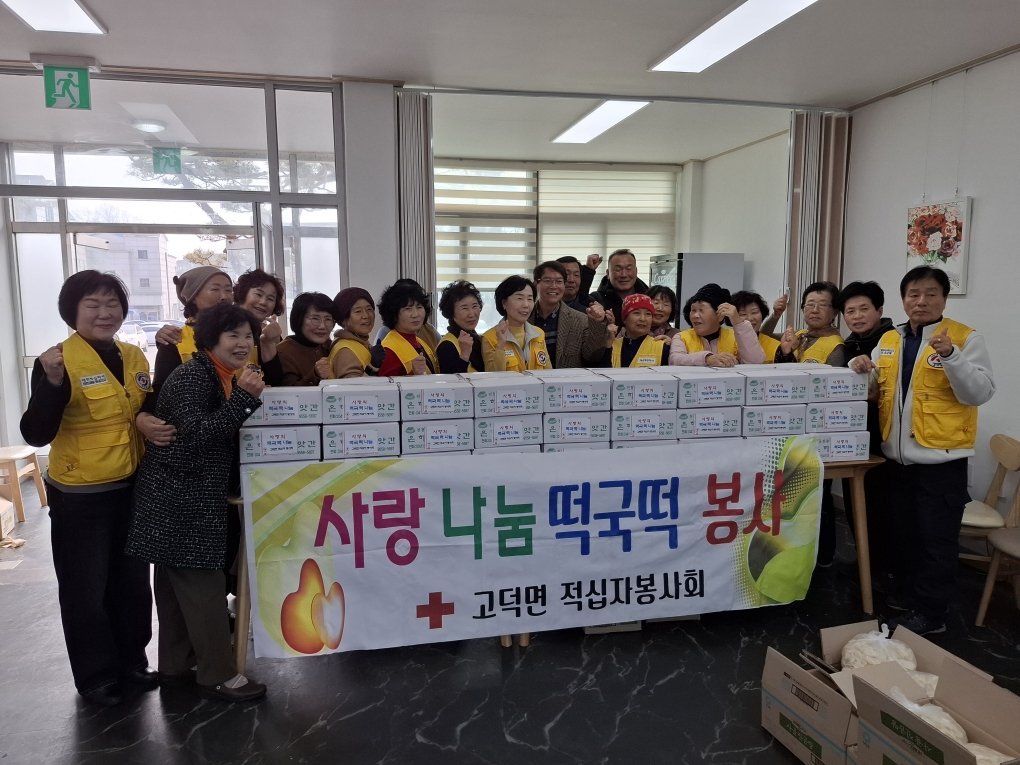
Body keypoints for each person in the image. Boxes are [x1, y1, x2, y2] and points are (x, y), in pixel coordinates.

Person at [20, 271, 168, 707]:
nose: (105, 313)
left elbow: (142, 405)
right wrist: (51, 383)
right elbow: (35, 432)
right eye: (93, 305)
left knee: (132, 584)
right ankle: (96, 676)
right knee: (85, 589)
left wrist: (146, 417)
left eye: (112, 304)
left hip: (132, 486)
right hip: (81, 495)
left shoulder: (133, 355)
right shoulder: (57, 360)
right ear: (73, 311)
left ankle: (132, 661)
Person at [127, 303, 268, 702]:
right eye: (232, 335)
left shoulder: (220, 374)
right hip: (180, 499)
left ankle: (176, 666)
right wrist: (244, 400)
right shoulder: (193, 376)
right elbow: (194, 437)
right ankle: (218, 675)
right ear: (210, 339)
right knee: (204, 589)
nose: (242, 344)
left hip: (179, 497)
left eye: (248, 336)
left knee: (175, 592)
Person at [849, 266, 994, 635]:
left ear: (944, 299)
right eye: (913, 294)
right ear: (903, 300)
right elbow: (876, 391)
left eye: (931, 293)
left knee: (936, 542)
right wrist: (860, 368)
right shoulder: (890, 339)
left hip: (941, 462)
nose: (921, 301)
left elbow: (979, 393)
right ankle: (909, 598)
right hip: (897, 461)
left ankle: (932, 615)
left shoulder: (964, 338)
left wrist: (952, 356)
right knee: (904, 536)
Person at [153, 266, 233, 393]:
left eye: (228, 290)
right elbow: (161, 392)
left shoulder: (244, 335)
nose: (224, 296)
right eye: (215, 289)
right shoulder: (175, 341)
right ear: (193, 297)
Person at [531, 261, 608, 369]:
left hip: (566, 379)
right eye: (547, 281)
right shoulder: (523, 318)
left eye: (559, 281)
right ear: (536, 284)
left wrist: (597, 323)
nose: (554, 286)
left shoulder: (580, 320)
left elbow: (592, 356)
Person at [668, 283, 765, 366]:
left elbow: (755, 361)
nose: (695, 315)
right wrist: (707, 358)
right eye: (693, 310)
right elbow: (674, 360)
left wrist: (739, 323)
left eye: (701, 310)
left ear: (720, 315)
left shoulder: (735, 336)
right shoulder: (681, 337)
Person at [481, 275, 552, 372]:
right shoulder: (490, 338)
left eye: (530, 299)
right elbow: (493, 376)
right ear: (504, 303)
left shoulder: (539, 334)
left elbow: (548, 372)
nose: (526, 305)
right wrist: (500, 346)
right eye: (519, 298)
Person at [232, 268, 285, 385]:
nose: (263, 302)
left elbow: (275, 382)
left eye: (270, 299)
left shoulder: (271, 334)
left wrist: (268, 343)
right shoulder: (223, 328)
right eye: (258, 294)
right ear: (243, 293)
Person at [377, 280, 437, 376]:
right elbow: (387, 384)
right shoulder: (388, 350)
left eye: (419, 307)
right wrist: (413, 374)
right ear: (394, 314)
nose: (415, 314)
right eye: (408, 309)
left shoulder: (420, 342)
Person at [777, 281, 846, 365]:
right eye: (810, 304)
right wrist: (776, 315)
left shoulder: (836, 346)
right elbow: (765, 336)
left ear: (835, 312)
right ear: (803, 309)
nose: (815, 310)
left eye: (823, 305)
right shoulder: (799, 334)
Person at [276, 292, 335, 386]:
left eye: (328, 319)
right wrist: (315, 374)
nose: (322, 326)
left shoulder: (329, 346)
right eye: (315, 318)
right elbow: (288, 392)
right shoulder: (283, 352)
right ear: (299, 319)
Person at [602, 293, 670, 367]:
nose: (643, 319)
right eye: (637, 313)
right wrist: (608, 344)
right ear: (625, 319)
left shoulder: (662, 347)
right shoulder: (610, 345)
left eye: (648, 314)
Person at [325, 287, 380, 379]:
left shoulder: (360, 342)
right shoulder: (345, 350)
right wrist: (373, 366)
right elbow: (352, 386)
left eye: (369, 309)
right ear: (343, 319)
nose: (366, 316)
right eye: (358, 311)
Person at [436, 280, 485, 373]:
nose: (471, 314)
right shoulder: (447, 345)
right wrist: (464, 355)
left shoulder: (477, 339)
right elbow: (452, 380)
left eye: (475, 306)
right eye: (465, 308)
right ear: (451, 313)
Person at [589, 249, 648, 321]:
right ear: (608, 273)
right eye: (618, 269)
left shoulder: (650, 298)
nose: (624, 275)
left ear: (636, 271)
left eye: (629, 269)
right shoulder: (597, 300)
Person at [731, 290, 781, 362]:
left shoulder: (775, 346)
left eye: (754, 312)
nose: (750, 318)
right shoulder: (724, 338)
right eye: (743, 314)